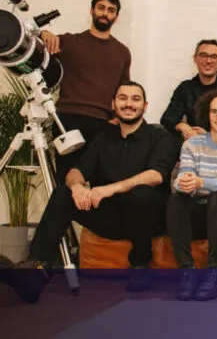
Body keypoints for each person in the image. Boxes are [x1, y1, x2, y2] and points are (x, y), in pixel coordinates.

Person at [11, 81, 178, 302]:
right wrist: (77, 186)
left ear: (145, 106)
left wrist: (108, 189)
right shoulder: (103, 138)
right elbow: (76, 171)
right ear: (113, 104)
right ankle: (36, 268)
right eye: (123, 98)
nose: (129, 104)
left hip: (148, 218)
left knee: (142, 194)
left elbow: (156, 176)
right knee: (63, 194)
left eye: (135, 99)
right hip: (111, 217)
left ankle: (140, 266)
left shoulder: (160, 136)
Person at [166, 89, 217, 301]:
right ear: (207, 114)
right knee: (176, 198)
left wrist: (202, 182)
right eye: (214, 112)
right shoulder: (192, 144)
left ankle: (214, 272)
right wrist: (183, 182)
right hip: (196, 211)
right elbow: (184, 176)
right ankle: (187, 270)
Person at [40, 0, 131, 183]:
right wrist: (43, 33)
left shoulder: (122, 52)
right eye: (101, 8)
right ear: (91, 10)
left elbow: (124, 92)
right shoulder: (70, 42)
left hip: (103, 124)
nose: (105, 13)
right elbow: (34, 46)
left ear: (116, 16)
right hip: (67, 121)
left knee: (102, 187)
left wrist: (117, 120)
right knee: (66, 184)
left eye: (111, 10)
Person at [161, 40, 217, 143]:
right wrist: (183, 126)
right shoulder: (185, 87)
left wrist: (210, 135)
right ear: (195, 59)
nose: (208, 61)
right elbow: (167, 118)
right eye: (203, 55)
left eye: (214, 56)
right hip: (195, 142)